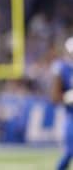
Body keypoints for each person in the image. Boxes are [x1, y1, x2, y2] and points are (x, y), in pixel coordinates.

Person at [51, 36, 73, 170]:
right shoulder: (62, 68)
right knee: (70, 151)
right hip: (71, 116)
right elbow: (54, 97)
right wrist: (67, 97)